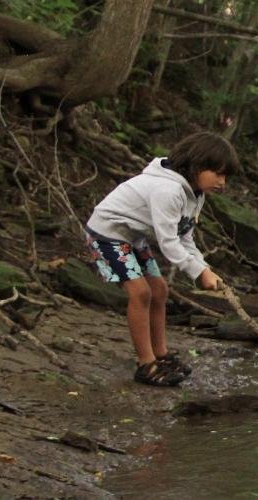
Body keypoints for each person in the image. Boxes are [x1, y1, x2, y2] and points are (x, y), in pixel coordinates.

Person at [85, 132, 236, 386]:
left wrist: (204, 268)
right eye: (218, 174)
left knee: (159, 289)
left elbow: (185, 238)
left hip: (133, 238)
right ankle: (146, 364)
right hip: (106, 233)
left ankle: (161, 354)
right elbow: (168, 243)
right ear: (196, 165)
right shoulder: (168, 190)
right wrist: (197, 272)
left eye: (226, 176)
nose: (222, 182)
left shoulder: (195, 194)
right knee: (141, 293)